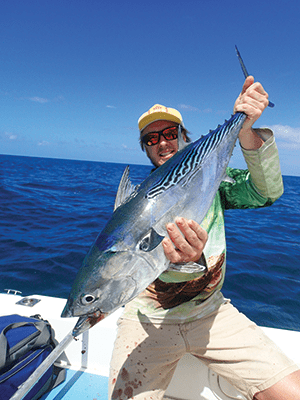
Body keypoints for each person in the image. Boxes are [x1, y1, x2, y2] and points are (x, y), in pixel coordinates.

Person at [109, 76, 300, 400]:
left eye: (170, 133)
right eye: (152, 138)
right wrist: (182, 262)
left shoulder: (214, 184)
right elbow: (136, 266)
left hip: (209, 312)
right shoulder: (136, 205)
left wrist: (245, 128)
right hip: (148, 317)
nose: (163, 142)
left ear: (184, 138)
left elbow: (266, 193)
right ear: (145, 147)